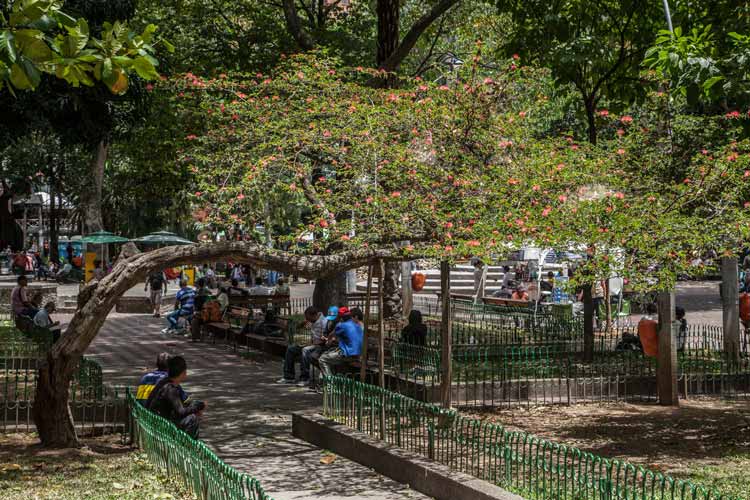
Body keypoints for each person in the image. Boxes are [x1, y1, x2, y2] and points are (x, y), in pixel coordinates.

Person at [145, 356, 205, 438]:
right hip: (159, 425)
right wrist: (198, 406)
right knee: (192, 419)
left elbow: (179, 406)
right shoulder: (170, 388)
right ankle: (186, 447)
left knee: (190, 414)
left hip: (154, 420)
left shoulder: (163, 382)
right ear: (183, 373)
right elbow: (181, 412)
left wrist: (193, 407)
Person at [279, 306, 328, 386]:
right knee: (291, 349)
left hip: (320, 346)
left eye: (308, 318)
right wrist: (302, 324)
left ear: (314, 315)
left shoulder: (324, 322)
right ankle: (289, 377)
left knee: (305, 350)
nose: (307, 320)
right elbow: (297, 328)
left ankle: (305, 378)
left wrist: (313, 344)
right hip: (312, 344)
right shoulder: (312, 320)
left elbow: (325, 339)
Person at [319, 307, 363, 377]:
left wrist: (328, 341)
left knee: (322, 359)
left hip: (348, 355)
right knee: (330, 356)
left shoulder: (341, 325)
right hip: (358, 354)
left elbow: (331, 336)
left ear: (341, 318)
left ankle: (330, 384)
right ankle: (330, 379)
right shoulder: (358, 325)